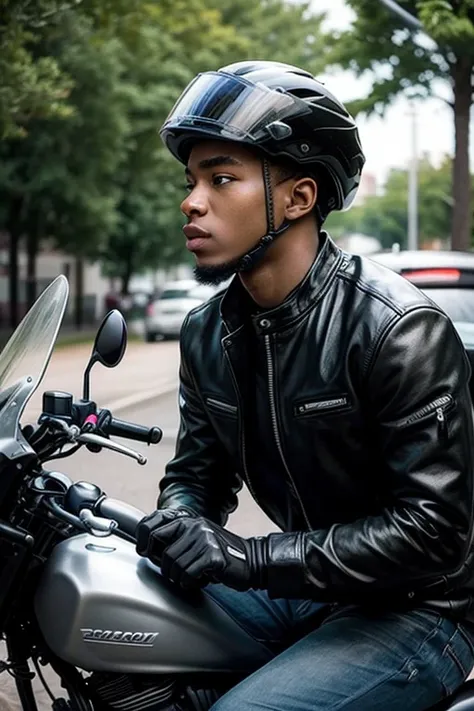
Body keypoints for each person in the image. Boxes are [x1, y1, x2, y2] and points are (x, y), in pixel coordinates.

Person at [136, 61, 474, 711]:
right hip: (312, 581)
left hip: (421, 604)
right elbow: (198, 474)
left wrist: (249, 558)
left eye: (221, 178)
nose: (191, 200)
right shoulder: (208, 332)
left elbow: (432, 533)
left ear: (298, 197)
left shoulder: (396, 328)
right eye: (191, 180)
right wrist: (179, 523)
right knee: (118, 608)